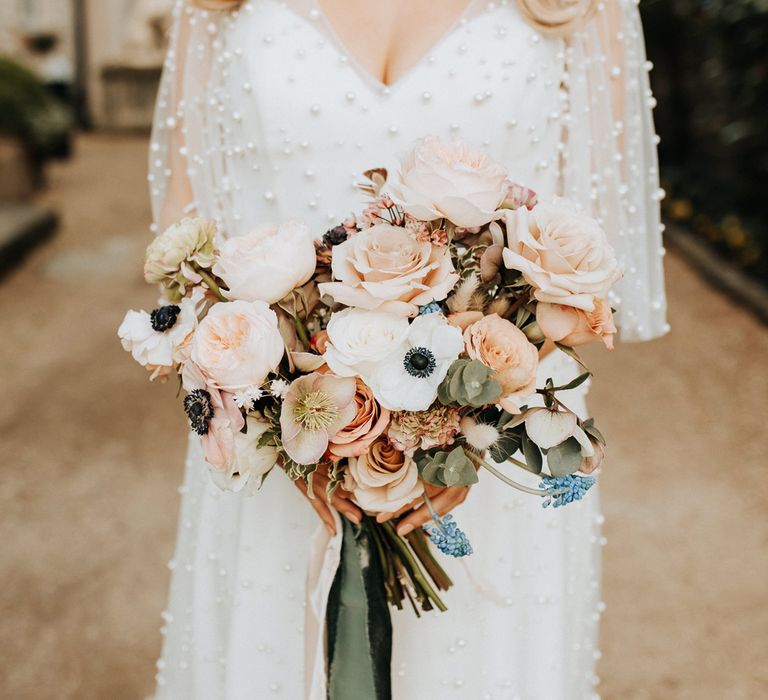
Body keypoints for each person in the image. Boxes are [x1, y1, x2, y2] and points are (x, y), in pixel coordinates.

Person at [149, 1, 667, 697]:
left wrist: (469, 427)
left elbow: (592, 246)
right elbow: (183, 243)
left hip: (490, 459)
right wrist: (267, 397)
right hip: (273, 450)